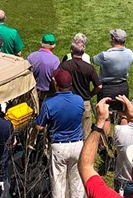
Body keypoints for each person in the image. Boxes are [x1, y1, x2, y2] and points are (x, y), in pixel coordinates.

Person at [36, 69, 85, 198]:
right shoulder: (79, 100)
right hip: (78, 145)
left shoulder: (49, 103)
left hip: (59, 146)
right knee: (77, 181)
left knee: (58, 183)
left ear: (55, 83)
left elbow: (40, 127)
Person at [59, 43, 101, 138]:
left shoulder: (64, 65)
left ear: (71, 51)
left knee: (68, 130)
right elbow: (99, 86)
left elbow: (55, 79)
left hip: (68, 101)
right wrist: (90, 94)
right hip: (84, 102)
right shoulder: (89, 67)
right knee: (85, 134)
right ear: (83, 52)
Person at [93, 29, 133, 101]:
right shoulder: (130, 53)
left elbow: (94, 60)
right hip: (123, 87)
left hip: (107, 89)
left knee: (104, 111)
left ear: (113, 39)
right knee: (122, 111)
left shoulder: (105, 55)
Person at [27, 33, 60, 101]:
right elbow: (55, 80)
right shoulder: (55, 60)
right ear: (53, 46)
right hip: (48, 94)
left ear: (41, 43)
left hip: (33, 92)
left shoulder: (31, 56)